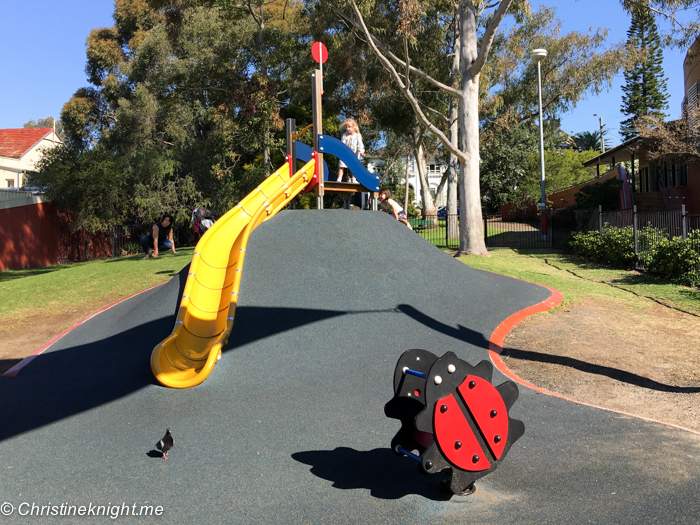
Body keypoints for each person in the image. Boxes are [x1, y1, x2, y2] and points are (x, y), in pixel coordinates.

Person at [337, 118, 365, 183]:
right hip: (346, 153)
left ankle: (354, 179)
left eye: (349, 127)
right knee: (341, 165)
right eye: (346, 127)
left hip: (354, 153)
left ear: (354, 127)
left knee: (354, 165)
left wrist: (360, 151)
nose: (347, 129)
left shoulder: (357, 136)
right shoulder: (345, 136)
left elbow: (360, 145)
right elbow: (342, 144)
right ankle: (339, 178)